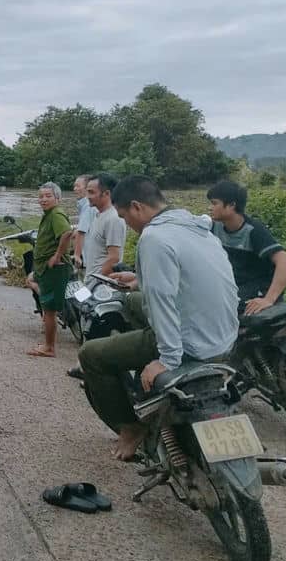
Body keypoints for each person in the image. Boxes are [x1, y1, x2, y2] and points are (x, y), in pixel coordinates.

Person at [77, 175, 238, 460]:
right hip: (224, 337)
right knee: (130, 300)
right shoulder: (197, 227)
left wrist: (167, 359)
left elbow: (162, 302)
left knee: (91, 355)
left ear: (136, 207)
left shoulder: (153, 237)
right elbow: (183, 278)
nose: (128, 224)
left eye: (125, 217)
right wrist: (139, 278)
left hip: (189, 340)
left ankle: (130, 428)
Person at [207, 180, 286, 315]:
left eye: (214, 203)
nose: (210, 208)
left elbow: (285, 263)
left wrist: (269, 299)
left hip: (257, 287)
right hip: (236, 286)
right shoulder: (213, 227)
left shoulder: (253, 230)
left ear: (231, 205)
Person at [27, 182, 74, 358]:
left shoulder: (56, 214)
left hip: (54, 269)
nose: (43, 199)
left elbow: (67, 233)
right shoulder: (49, 214)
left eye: (48, 196)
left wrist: (57, 255)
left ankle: (49, 347)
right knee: (48, 307)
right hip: (44, 268)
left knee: (49, 310)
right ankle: (48, 343)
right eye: (41, 196)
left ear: (58, 198)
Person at [82, 172, 127, 277]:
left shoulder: (113, 219)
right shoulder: (99, 215)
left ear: (107, 194)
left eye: (91, 192)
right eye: (87, 192)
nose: (87, 196)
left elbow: (114, 257)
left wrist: (98, 280)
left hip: (100, 285)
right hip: (91, 280)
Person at [72, 174, 95, 272]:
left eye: (78, 186)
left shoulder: (87, 205)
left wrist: (76, 255)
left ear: (87, 188)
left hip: (88, 258)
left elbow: (81, 231)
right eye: (74, 186)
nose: (74, 189)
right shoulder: (87, 204)